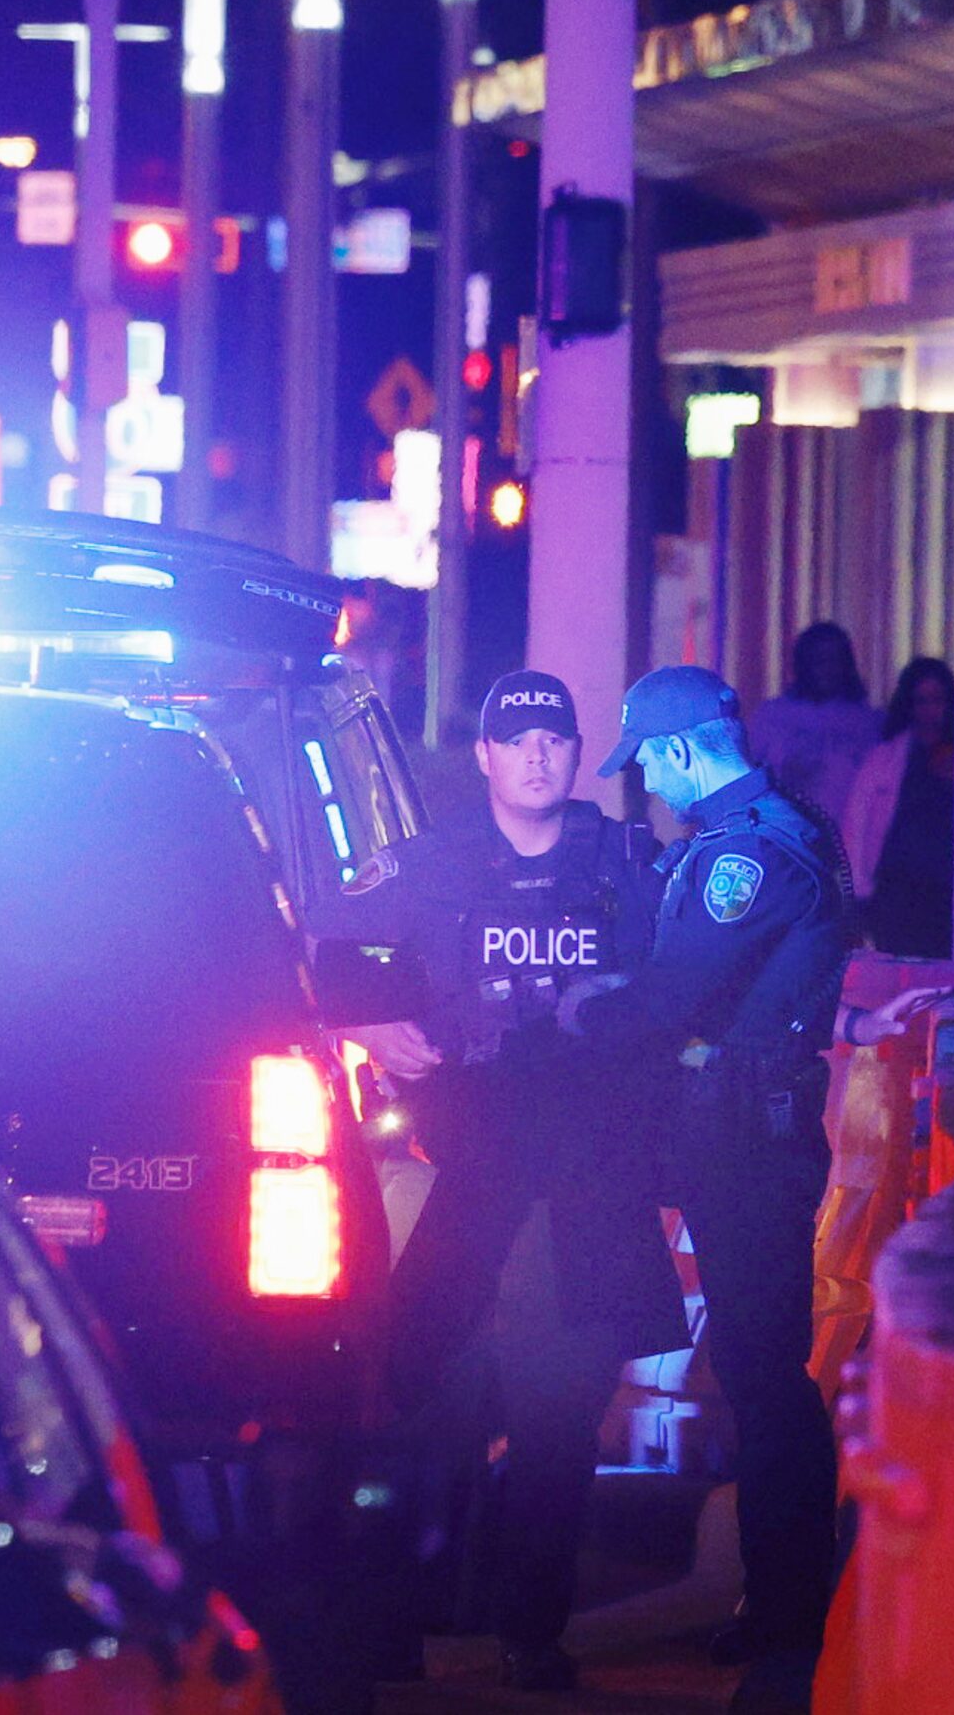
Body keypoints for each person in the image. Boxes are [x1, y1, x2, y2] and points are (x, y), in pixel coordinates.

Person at [336, 670, 688, 1694]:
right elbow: (312, 961)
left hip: (585, 1203)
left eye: (553, 739)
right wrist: (356, 1022)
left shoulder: (628, 861)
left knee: (556, 1432)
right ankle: (401, 1625)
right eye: (514, 738)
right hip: (470, 1195)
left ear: (575, 755)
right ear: (483, 755)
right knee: (418, 1412)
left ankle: (531, 1636)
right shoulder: (426, 866)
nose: (536, 755)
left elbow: (713, 972)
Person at [561, 664, 851, 1715]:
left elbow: (676, 992)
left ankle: (788, 1624)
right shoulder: (759, 833)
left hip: (746, 1143)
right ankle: (779, 1608)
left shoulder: (749, 854)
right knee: (747, 1363)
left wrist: (584, 1007)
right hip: (720, 1133)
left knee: (766, 1375)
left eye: (646, 767)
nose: (647, 790)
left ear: (679, 751)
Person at [840, 656, 954, 960]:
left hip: (948, 891)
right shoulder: (885, 759)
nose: (930, 711)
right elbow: (858, 826)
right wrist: (858, 892)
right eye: (921, 701)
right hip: (897, 891)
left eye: (937, 700)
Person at [742, 622, 882, 827]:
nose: (828, 669)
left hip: (847, 838)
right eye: (819, 660)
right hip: (784, 835)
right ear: (803, 663)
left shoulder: (869, 722)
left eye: (835, 660)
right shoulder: (771, 717)